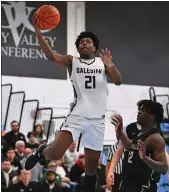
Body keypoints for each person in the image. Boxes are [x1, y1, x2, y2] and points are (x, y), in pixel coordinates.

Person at [25, 12, 122, 192]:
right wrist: (39, 33)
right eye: (81, 42)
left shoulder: (102, 63)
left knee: (92, 166)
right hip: (78, 114)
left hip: (97, 120)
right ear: (78, 49)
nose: (84, 43)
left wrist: (111, 65)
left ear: (94, 48)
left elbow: (117, 81)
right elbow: (51, 57)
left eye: (88, 42)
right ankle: (40, 151)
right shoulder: (72, 61)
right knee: (54, 154)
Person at [109, 100, 168, 192]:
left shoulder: (156, 138)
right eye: (139, 109)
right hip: (129, 183)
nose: (139, 112)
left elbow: (164, 168)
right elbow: (130, 147)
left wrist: (145, 158)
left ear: (152, 115)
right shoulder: (141, 133)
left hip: (144, 187)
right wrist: (119, 132)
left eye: (143, 110)